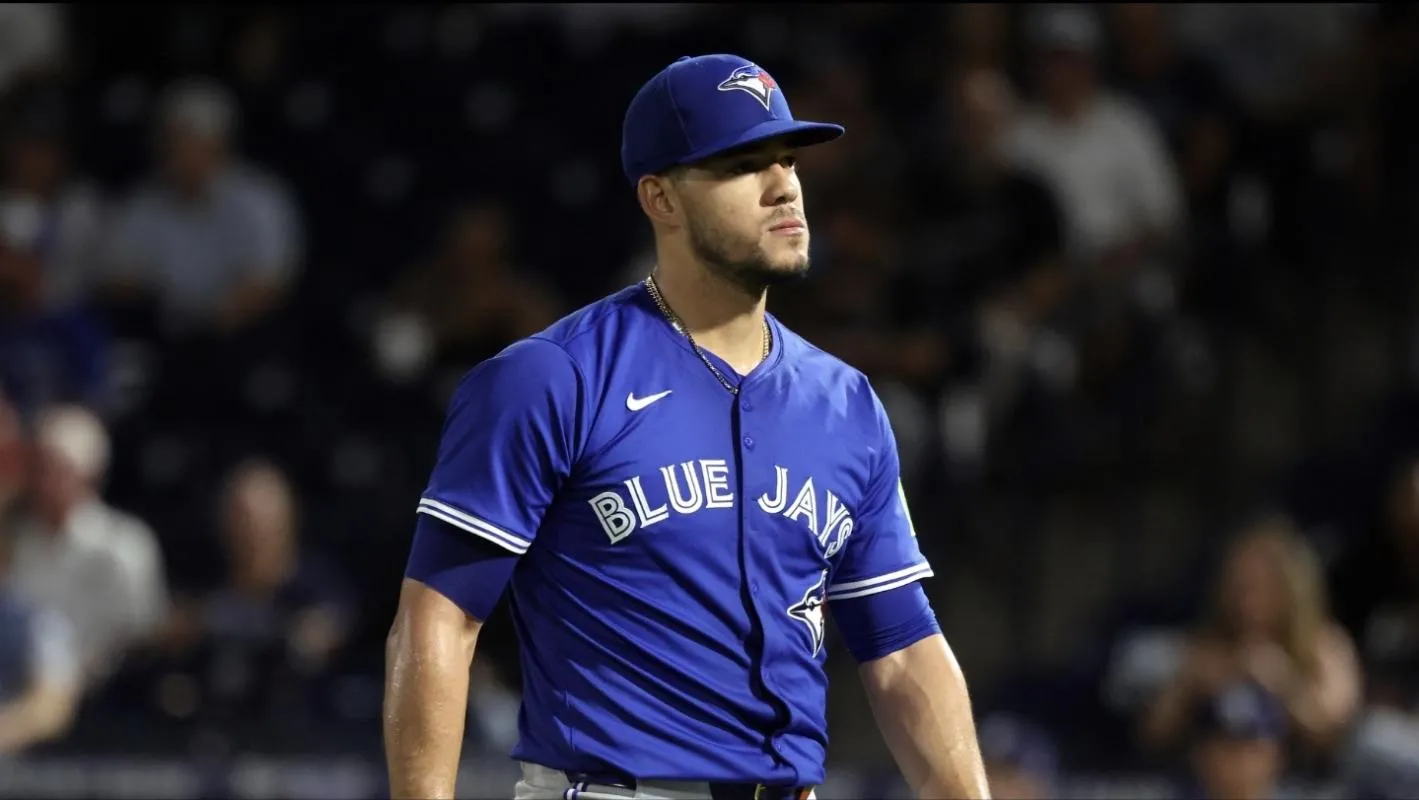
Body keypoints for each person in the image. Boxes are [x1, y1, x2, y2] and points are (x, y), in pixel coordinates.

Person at [384, 54, 991, 800]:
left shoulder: (847, 404)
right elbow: (439, 619)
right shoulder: (551, 377)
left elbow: (899, 646)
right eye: (742, 165)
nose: (784, 186)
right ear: (660, 198)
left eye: (786, 159)